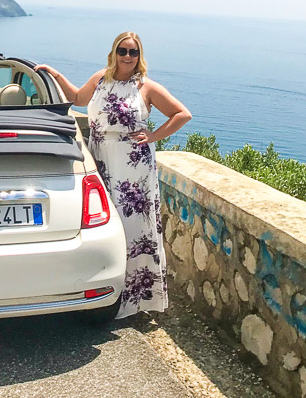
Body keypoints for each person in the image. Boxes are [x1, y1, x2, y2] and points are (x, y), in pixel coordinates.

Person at [36, 31, 191, 320]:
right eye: (123, 51)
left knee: (134, 229)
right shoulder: (100, 79)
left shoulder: (146, 87)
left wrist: (154, 136)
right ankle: (102, 292)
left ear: (139, 56)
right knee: (105, 226)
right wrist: (54, 73)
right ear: (115, 52)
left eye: (133, 52)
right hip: (101, 160)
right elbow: (77, 99)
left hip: (134, 168)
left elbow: (182, 114)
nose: (128, 57)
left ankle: (134, 299)